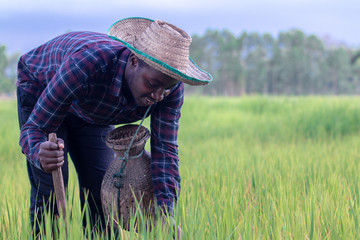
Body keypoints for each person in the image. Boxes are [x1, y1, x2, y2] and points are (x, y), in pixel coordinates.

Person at [16, 17, 212, 236]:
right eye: (152, 84)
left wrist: (165, 213)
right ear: (134, 61)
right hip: (43, 90)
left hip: (92, 108)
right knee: (50, 190)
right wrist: (38, 151)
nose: (158, 96)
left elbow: (165, 151)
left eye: (165, 89)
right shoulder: (88, 64)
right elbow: (34, 128)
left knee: (104, 192)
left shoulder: (169, 88)